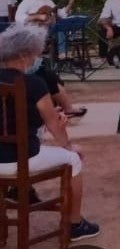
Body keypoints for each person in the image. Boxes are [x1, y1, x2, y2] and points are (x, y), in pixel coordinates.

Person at [0, 25, 100, 241]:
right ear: (24, 55)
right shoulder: (33, 83)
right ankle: (75, 224)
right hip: (20, 158)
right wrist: (68, 145)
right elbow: (54, 126)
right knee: (74, 159)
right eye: (36, 54)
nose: (38, 58)